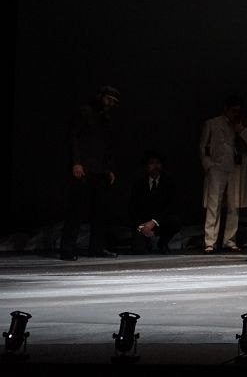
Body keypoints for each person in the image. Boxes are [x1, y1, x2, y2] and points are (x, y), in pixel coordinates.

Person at [60, 85, 121, 260]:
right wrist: (76, 162)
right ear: (100, 97)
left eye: (113, 102)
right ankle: (67, 249)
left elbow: (108, 146)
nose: (110, 103)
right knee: (76, 210)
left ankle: (96, 248)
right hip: (84, 168)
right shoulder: (85, 112)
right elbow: (74, 138)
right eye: (108, 99)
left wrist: (109, 168)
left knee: (100, 211)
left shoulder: (106, 118)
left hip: (100, 170)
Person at [200, 95, 247, 254]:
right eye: (233, 110)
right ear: (226, 109)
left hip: (236, 169)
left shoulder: (242, 125)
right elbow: (203, 147)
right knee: (214, 205)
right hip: (217, 168)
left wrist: (241, 130)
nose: (236, 114)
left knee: (234, 206)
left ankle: (229, 240)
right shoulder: (212, 123)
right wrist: (209, 166)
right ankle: (210, 241)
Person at [129, 150, 181, 254]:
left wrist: (154, 221)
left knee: (175, 221)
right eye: (152, 163)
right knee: (139, 250)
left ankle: (162, 243)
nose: (155, 166)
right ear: (146, 166)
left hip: (160, 221)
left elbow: (170, 206)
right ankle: (145, 241)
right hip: (143, 223)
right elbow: (133, 207)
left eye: (158, 163)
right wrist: (142, 227)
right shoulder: (139, 184)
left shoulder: (168, 183)